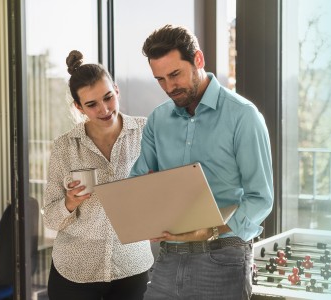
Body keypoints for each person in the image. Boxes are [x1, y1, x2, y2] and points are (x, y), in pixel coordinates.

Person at [129, 24, 274, 300]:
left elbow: (260, 198)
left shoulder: (243, 117)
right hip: (167, 260)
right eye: (160, 79)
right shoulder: (157, 121)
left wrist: (211, 230)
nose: (169, 87)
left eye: (175, 74)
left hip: (223, 258)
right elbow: (140, 180)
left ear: (198, 60)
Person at [42, 50, 154, 300]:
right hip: (75, 272)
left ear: (116, 90)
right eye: (92, 104)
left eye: (108, 97)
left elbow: (165, 191)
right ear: (78, 107)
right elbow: (50, 217)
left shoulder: (146, 132)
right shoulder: (64, 146)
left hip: (132, 266)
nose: (104, 109)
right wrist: (70, 202)